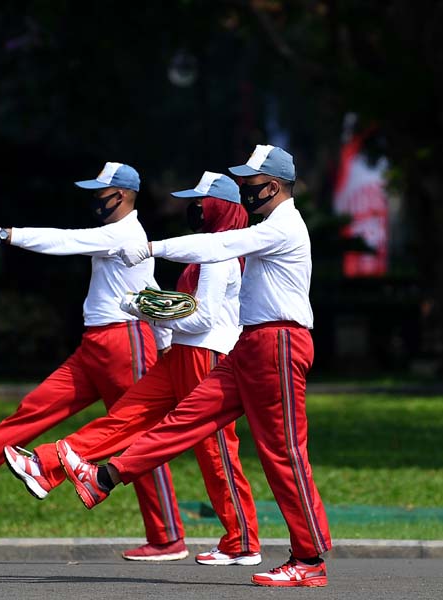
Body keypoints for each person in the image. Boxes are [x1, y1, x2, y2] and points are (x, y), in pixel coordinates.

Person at [55, 145, 332, 588]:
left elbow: (219, 244)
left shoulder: (283, 226)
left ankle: (309, 559)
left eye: (250, 184)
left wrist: (151, 248)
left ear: (274, 186)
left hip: (278, 343)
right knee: (185, 419)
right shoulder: (270, 224)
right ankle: (103, 477)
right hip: (252, 344)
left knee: (284, 454)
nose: (244, 191)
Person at [0, 162, 190, 560]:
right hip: (97, 345)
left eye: (100, 193)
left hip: (125, 343)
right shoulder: (123, 235)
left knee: (136, 438)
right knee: (36, 407)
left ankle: (168, 536)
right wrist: (167, 339)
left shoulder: (122, 233)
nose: (94, 200)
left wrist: (4, 235)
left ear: (121, 196)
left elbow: (64, 241)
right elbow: (149, 286)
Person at [5, 172, 262, 565]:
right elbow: (186, 309)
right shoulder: (205, 249)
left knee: (216, 453)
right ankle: (45, 465)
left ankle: (242, 541)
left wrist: (146, 311)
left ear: (219, 208)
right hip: (181, 353)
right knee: (124, 417)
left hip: (207, 356)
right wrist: (153, 308)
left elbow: (203, 319)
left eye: (200, 202)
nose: (192, 208)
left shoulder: (218, 253)